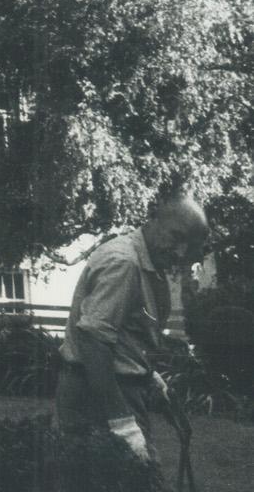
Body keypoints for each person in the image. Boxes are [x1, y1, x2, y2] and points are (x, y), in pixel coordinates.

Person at [56, 192, 209, 466]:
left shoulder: (147, 261)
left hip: (114, 390)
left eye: (189, 244)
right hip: (97, 397)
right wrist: (123, 423)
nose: (181, 251)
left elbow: (126, 335)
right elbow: (93, 341)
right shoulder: (124, 263)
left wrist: (151, 379)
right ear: (154, 219)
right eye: (176, 237)